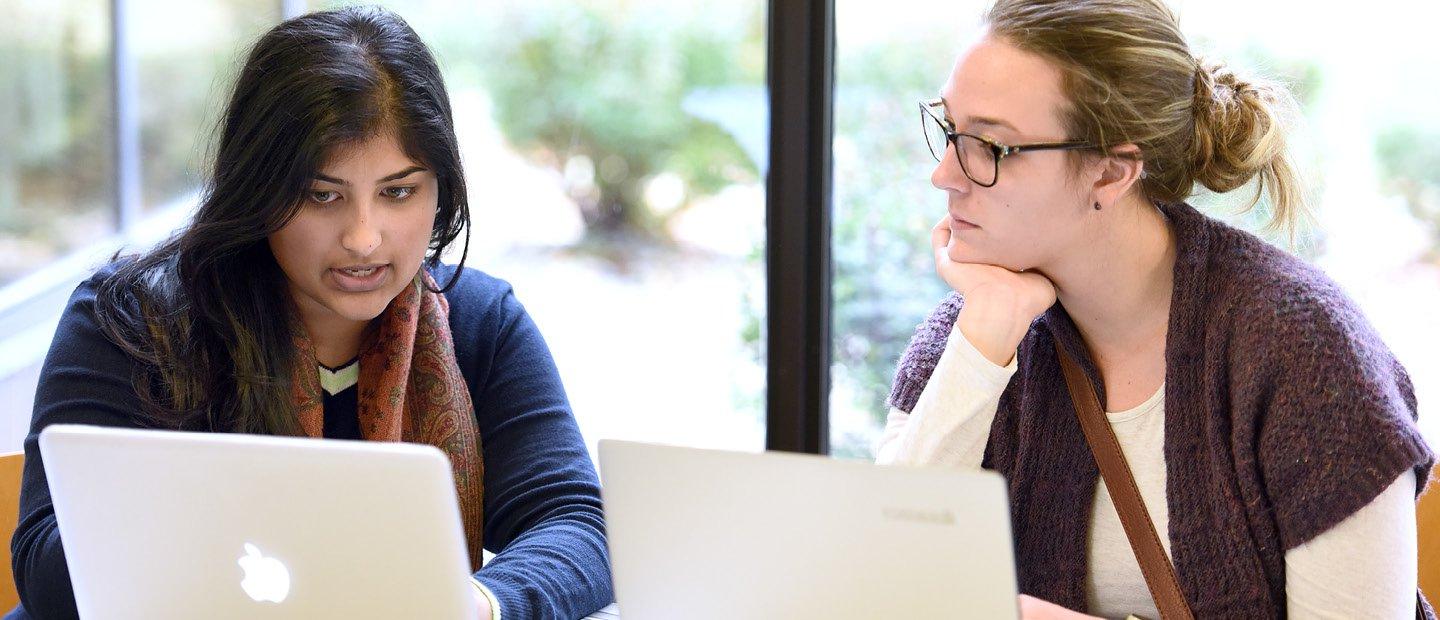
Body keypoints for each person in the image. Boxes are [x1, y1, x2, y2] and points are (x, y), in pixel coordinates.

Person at [8, 7, 612, 619]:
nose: (363, 238)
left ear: (441, 189)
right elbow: (47, 560)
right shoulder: (134, 323)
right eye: (323, 196)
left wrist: (476, 606)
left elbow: (577, 524)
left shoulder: (480, 323)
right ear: (257, 189)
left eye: (398, 192)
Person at [874, 0, 1434, 618]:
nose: (944, 174)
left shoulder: (1303, 352)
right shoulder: (976, 330)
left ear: (1112, 174)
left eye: (988, 146)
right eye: (949, 129)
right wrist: (983, 335)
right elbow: (877, 584)